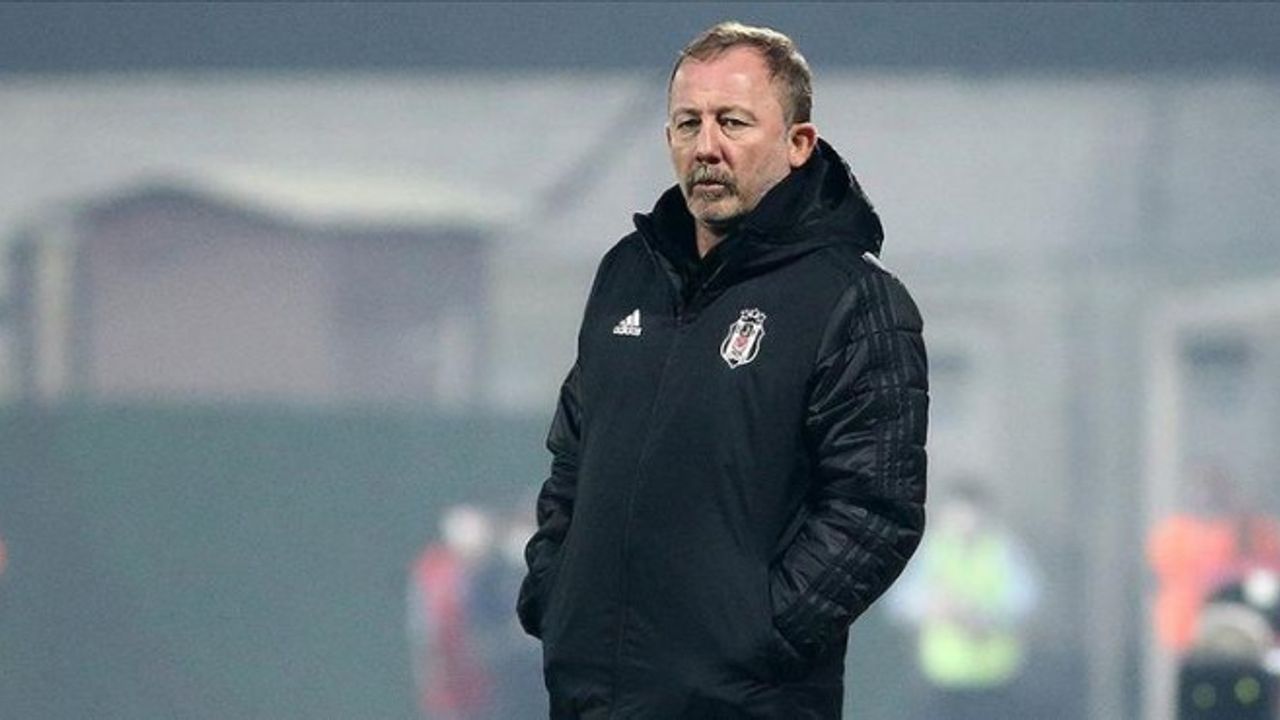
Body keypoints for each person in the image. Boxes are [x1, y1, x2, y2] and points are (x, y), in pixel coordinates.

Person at [517, 21, 928, 720]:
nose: (706, 146)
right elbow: (574, 459)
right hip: (592, 698)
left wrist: (753, 639)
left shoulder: (853, 299)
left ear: (799, 143)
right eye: (688, 123)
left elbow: (875, 510)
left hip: (745, 702)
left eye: (733, 122)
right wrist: (557, 601)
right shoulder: (627, 273)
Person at [887, 481, 1040, 720]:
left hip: (995, 674)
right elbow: (899, 602)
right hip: (942, 675)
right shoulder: (929, 551)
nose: (966, 523)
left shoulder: (1003, 550)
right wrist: (930, 606)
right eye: (958, 515)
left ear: (985, 514)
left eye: (971, 515)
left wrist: (990, 617)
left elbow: (1027, 599)